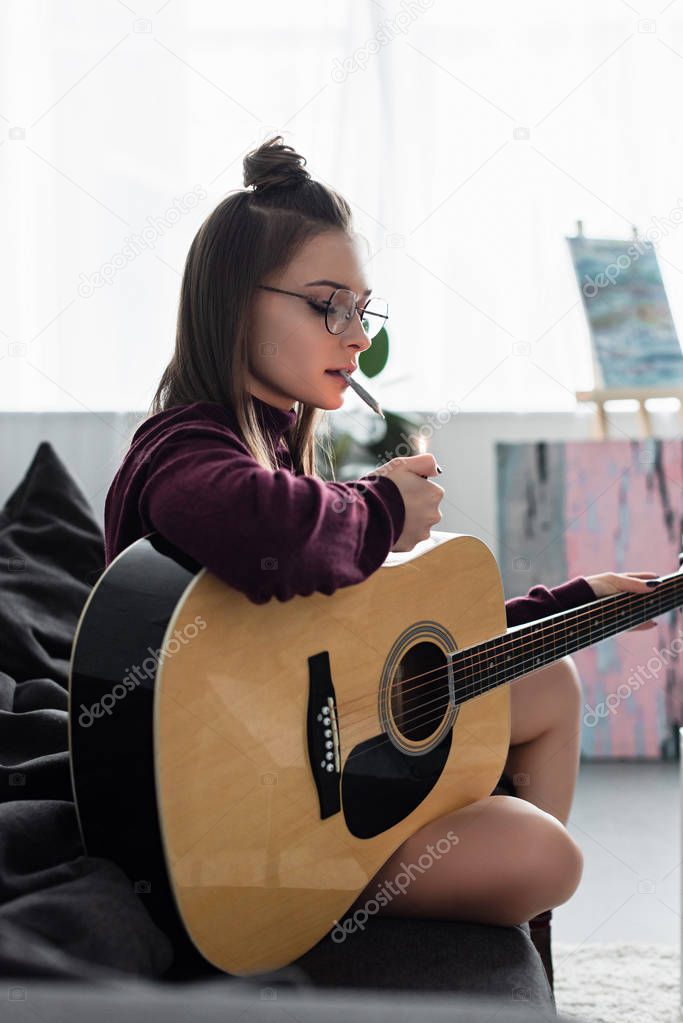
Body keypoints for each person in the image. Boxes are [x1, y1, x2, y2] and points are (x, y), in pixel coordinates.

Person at [104, 135, 660, 985]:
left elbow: (382, 643)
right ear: (232, 302)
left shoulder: (285, 454)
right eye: (329, 306)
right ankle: (318, 885)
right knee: (547, 858)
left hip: (312, 742)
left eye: (363, 310)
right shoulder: (185, 447)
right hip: (249, 804)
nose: (356, 336)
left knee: (549, 685)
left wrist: (574, 603)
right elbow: (264, 531)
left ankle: (523, 963)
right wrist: (383, 506)